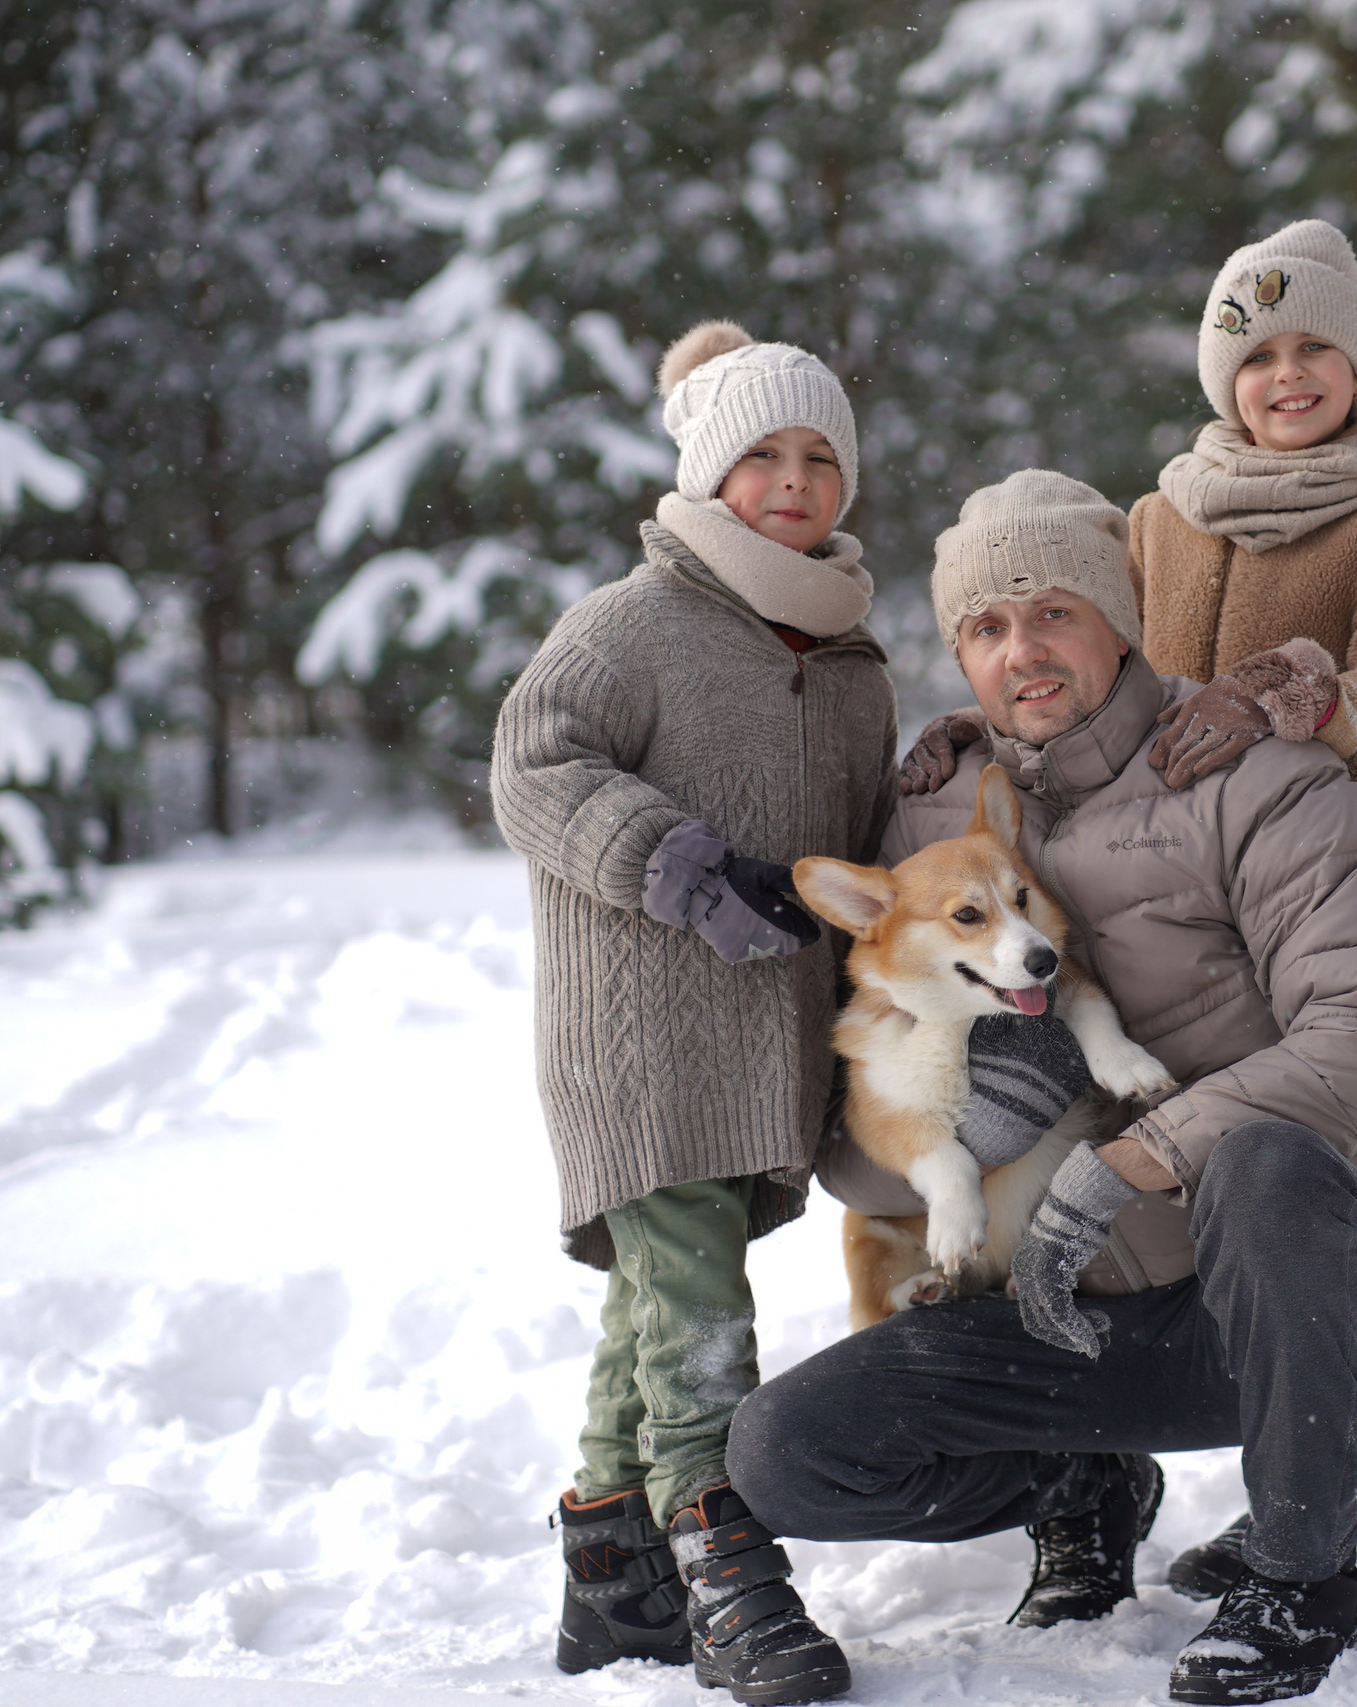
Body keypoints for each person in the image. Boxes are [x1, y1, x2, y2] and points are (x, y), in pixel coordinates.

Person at [901, 219, 1357, 1608]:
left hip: (1330, 914)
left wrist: (1319, 700)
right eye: (1256, 355)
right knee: (1167, 1189)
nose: (1288, 375)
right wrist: (989, 709)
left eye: (1316, 346)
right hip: (1161, 918)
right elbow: (1088, 661)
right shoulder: (1168, 512)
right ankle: (1171, 1484)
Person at [729, 470, 1357, 1705]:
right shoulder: (930, 822)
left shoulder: (1264, 783)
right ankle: (1081, 1477)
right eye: (986, 629)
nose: (1022, 653)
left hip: (1273, 1295)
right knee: (786, 1454)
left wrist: (1129, 1162)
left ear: (1121, 622)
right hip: (1050, 1319)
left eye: (1054, 612)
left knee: (1267, 1162)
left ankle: (1302, 1571)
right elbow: (854, 1125)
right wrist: (950, 1131)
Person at [490, 320, 890, 1706]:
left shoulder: (847, 656)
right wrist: (678, 861)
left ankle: (612, 1568)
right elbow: (531, 762)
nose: (792, 480)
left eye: (820, 456)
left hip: (764, 1034)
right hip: (640, 1030)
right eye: (762, 456)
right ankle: (725, 1560)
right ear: (709, 473)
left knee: (663, 1297)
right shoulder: (633, 620)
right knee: (700, 1305)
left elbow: (863, 835)